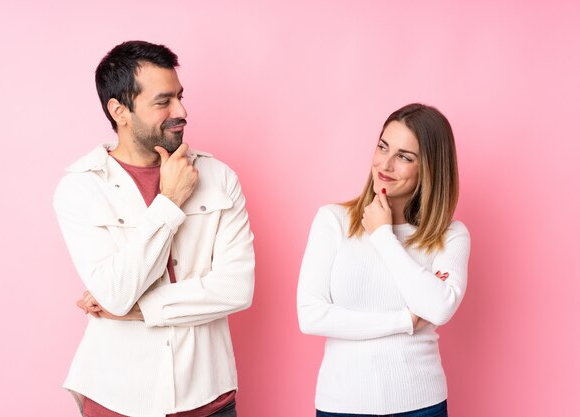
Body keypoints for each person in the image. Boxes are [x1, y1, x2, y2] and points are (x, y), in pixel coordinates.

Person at [53, 40, 254, 417]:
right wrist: (170, 203)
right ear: (120, 111)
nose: (182, 110)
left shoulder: (219, 177)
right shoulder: (81, 187)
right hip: (118, 400)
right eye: (163, 102)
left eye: (179, 96)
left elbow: (236, 290)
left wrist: (134, 311)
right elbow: (114, 293)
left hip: (210, 398)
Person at [297, 103, 470, 417]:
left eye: (404, 157)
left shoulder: (451, 235)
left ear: (429, 168)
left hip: (421, 405)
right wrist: (402, 321)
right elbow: (311, 316)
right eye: (382, 147)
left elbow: (439, 307)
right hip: (342, 405)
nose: (385, 164)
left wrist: (382, 236)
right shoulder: (333, 220)